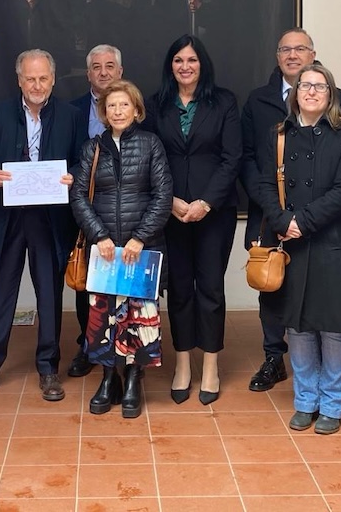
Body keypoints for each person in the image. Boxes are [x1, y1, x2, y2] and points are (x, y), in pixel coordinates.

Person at [0, 49, 87, 403]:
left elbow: (83, 160)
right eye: (30, 79)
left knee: (49, 294)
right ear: (19, 80)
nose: (37, 85)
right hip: (7, 218)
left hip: (50, 220)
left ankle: (48, 369)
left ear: (53, 79)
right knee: (0, 294)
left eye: (43, 78)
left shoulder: (70, 116)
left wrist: (73, 177)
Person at [240, 28, 341, 393]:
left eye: (299, 49)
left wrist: (303, 221)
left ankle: (330, 396)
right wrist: (281, 218)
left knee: (325, 313)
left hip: (323, 228)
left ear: (312, 53)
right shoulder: (259, 103)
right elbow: (254, 166)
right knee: (277, 295)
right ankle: (275, 359)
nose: (292, 55)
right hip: (275, 219)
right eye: (284, 49)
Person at [259, 63, 341, 434]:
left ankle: (333, 403)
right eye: (306, 85)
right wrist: (281, 221)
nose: (312, 92)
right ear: (295, 92)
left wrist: (302, 221)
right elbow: (263, 185)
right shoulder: (278, 135)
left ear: (330, 94)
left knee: (334, 327)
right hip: (289, 244)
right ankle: (306, 400)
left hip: (331, 242)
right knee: (298, 326)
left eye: (320, 86)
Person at [145, 34, 241, 405]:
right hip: (170, 212)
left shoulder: (224, 102)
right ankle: (183, 362)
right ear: (170, 66)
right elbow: (152, 157)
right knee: (181, 289)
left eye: (192, 60)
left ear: (203, 64)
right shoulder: (156, 105)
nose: (185, 67)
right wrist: (170, 202)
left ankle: (212, 365)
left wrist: (205, 202)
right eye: (179, 60)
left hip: (214, 212)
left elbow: (233, 157)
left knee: (212, 289)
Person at [70, 79, 172, 418]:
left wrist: (139, 237)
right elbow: (79, 197)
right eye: (111, 106)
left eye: (124, 105)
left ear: (137, 110)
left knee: (137, 318)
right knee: (103, 319)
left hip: (140, 250)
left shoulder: (151, 144)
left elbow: (162, 196)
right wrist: (100, 236)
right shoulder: (91, 148)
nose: (117, 111)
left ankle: (132, 378)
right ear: (103, 112)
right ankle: (107, 379)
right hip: (105, 253)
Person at [66, 44, 125, 378]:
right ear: (88, 73)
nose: (103, 72)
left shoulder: (138, 107)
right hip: (86, 208)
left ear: (120, 72)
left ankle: (129, 349)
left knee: (126, 285)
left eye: (110, 66)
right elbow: (65, 154)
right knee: (87, 282)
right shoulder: (72, 110)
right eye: (97, 67)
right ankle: (88, 346)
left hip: (129, 209)